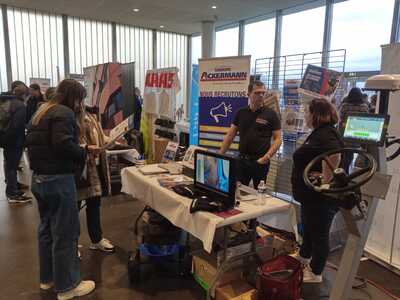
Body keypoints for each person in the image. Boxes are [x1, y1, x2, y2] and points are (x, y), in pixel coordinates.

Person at [26, 79, 97, 299]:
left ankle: (47, 279)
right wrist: (84, 152)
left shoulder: (41, 111)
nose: (80, 105)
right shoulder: (64, 113)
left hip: (39, 180)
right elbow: (63, 145)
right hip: (59, 180)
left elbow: (50, 144)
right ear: (73, 97)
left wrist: (82, 147)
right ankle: (67, 287)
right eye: (80, 99)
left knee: (46, 230)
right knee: (65, 234)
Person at [291, 98, 344, 283]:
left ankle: (315, 272)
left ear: (316, 115)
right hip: (310, 197)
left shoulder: (327, 134)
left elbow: (334, 155)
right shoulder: (319, 132)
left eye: (307, 112)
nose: (304, 115)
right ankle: (304, 256)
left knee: (320, 235)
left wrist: (324, 182)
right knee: (310, 229)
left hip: (321, 199)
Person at [220, 80, 282, 189]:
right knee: (238, 192)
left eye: (263, 93)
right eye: (257, 93)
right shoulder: (241, 113)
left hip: (261, 161)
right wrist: (219, 156)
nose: (261, 95)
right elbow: (230, 136)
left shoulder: (271, 114)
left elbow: (278, 139)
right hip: (242, 161)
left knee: (259, 193)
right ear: (248, 94)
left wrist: (267, 156)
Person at [76, 105, 115, 253]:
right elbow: (70, 144)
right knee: (74, 208)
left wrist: (114, 140)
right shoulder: (69, 117)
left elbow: (99, 137)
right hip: (80, 169)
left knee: (94, 205)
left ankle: (96, 239)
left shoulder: (90, 116)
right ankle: (72, 244)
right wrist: (87, 149)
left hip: (95, 167)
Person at [0, 81, 31, 203]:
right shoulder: (20, 106)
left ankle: (12, 191)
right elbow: (16, 126)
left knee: (9, 166)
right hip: (14, 141)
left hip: (6, 139)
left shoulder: (7, 102)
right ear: (24, 95)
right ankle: (12, 194)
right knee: (12, 167)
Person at [338, 87, 369, 173]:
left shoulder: (345, 106)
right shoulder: (364, 106)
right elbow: (366, 120)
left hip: (345, 134)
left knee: (346, 155)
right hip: (359, 134)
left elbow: (340, 118)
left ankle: (344, 174)